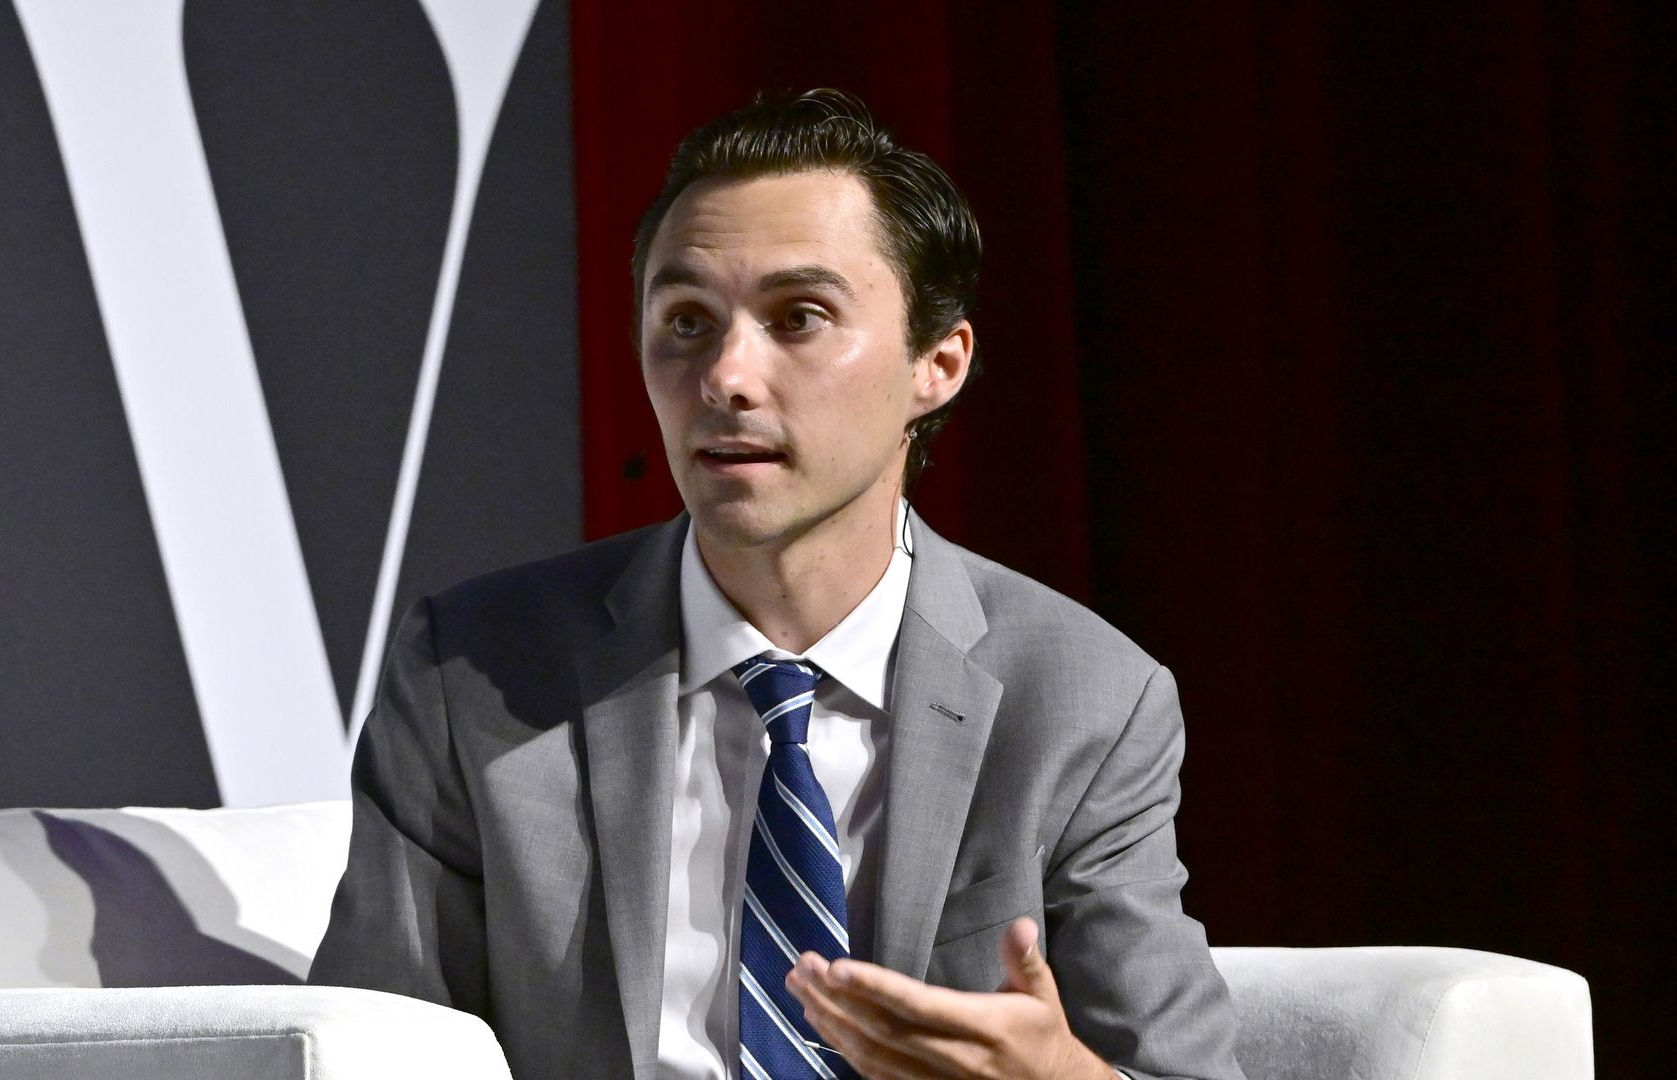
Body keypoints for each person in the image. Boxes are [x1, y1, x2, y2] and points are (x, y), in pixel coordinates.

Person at [310, 89, 1244, 1080]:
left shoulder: (1085, 702)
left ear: (937, 362)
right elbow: (380, 1045)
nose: (726, 376)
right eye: (685, 321)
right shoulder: (474, 671)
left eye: (799, 317)